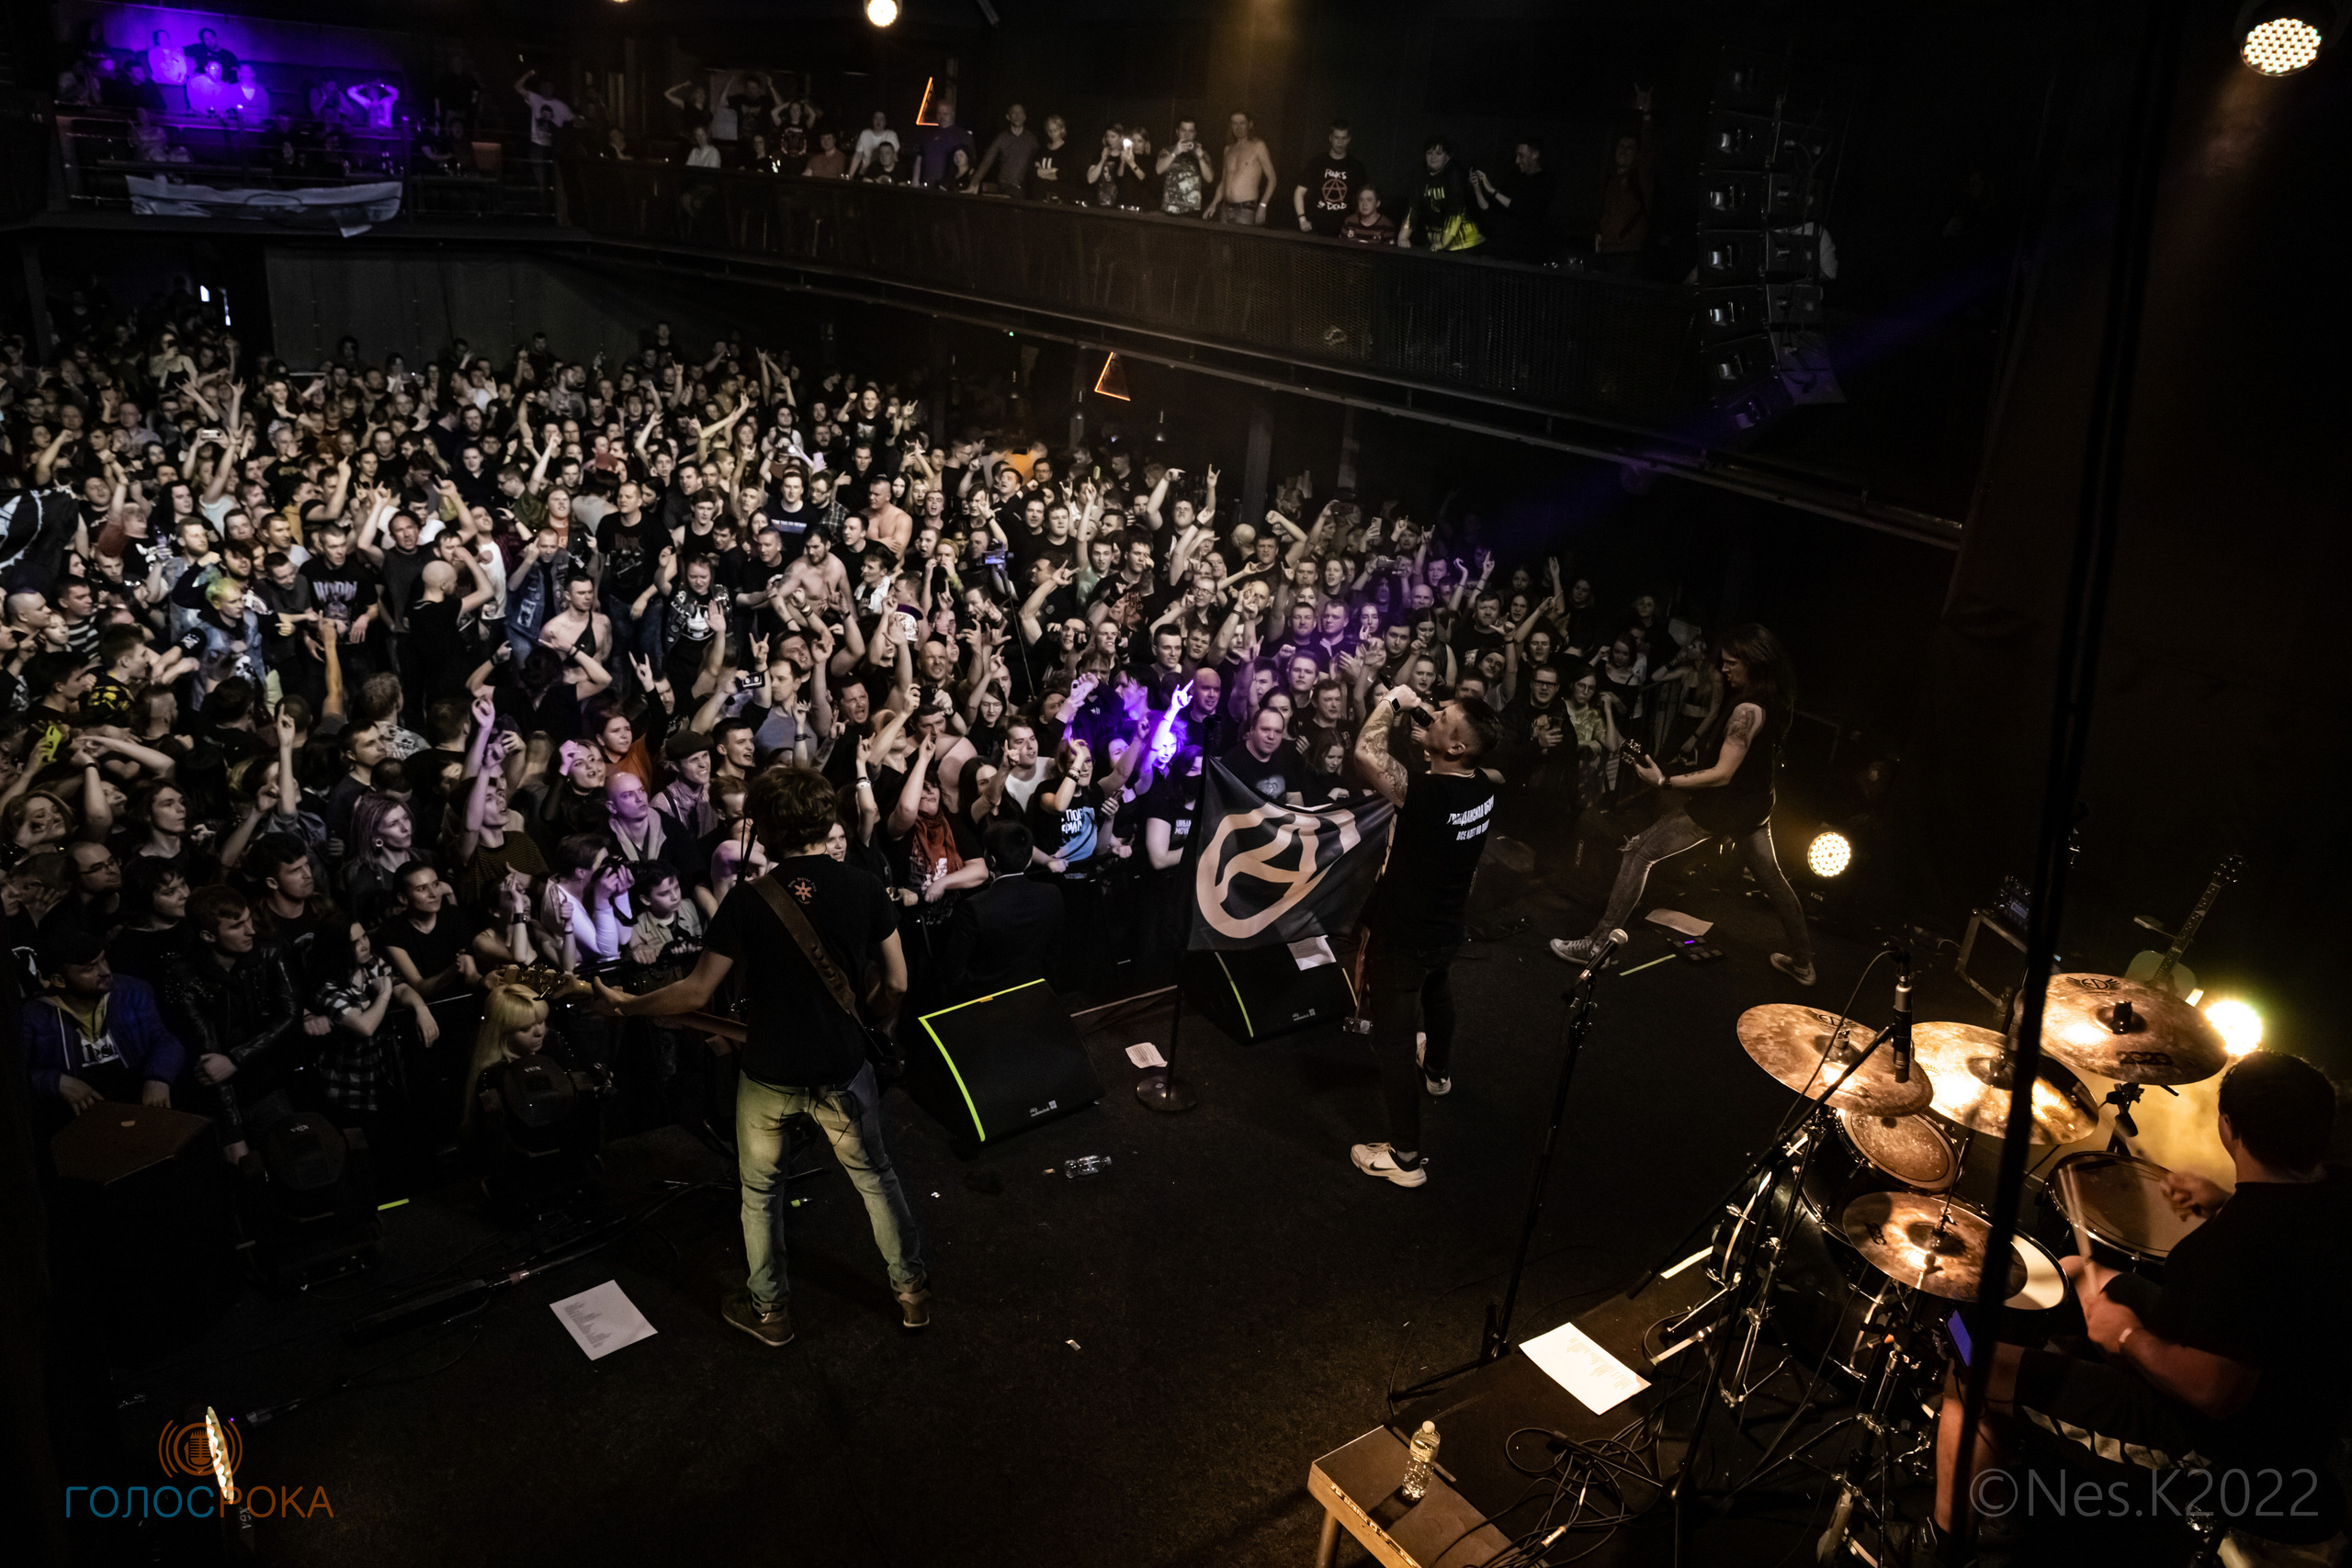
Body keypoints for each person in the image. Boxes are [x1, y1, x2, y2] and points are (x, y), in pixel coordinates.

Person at [1934, 1049, 2352, 1548]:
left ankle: (1945, 1545)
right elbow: (2284, 1247)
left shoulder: (2243, 1242)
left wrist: (2128, 1337)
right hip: (2295, 1405)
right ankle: (2027, 1436)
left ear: (2229, 1126)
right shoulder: (2335, 1189)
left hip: (2217, 1450)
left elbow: (2216, 1391)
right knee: (2073, 1272)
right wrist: (2222, 1200)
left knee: (1968, 1366)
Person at [591, 768, 930, 1345]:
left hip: (769, 1072)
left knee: (760, 1193)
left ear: (768, 830)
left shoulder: (747, 901)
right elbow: (896, 982)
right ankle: (912, 1294)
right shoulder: (866, 887)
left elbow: (697, 993)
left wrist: (627, 1005)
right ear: (827, 821)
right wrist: (862, 1014)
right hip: (843, 1067)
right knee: (877, 1180)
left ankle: (770, 1313)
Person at [1546, 625, 1815, 984]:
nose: (1724, 669)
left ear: (1754, 662)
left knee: (1639, 853)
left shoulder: (1747, 709)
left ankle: (1597, 946)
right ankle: (1803, 962)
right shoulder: (1775, 697)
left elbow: (1722, 775)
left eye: (1732, 663)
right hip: (1757, 805)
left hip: (1725, 806)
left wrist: (1664, 781)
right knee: (1772, 879)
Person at [1345, 685, 1505, 1187]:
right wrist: (1427, 734)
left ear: (1457, 747)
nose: (1432, 715)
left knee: (1392, 1042)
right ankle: (1437, 1073)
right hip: (1447, 924)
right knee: (1438, 990)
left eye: (1442, 718)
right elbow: (1471, 769)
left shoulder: (1426, 793)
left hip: (1406, 932)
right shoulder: (1484, 784)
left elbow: (1366, 753)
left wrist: (1393, 701)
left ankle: (1406, 1158)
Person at [23, 925, 185, 1128]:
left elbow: (164, 1039)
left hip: (137, 1106)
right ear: (58, 980)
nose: (105, 972)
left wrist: (158, 1077)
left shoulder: (132, 991)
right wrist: (55, 1082)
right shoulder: (34, 1017)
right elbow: (16, 1078)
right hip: (75, 1123)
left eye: (103, 960)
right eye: (89, 968)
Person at [1592, 86, 1655, 276]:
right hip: (1605, 252)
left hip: (1627, 255)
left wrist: (1647, 115)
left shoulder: (1640, 181)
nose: (1623, 150)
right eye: (1621, 145)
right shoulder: (1610, 180)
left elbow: (1648, 156)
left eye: (1629, 148)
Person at [1399, 137, 1482, 253]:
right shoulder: (1420, 175)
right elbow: (1413, 208)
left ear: (1447, 157)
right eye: (1429, 153)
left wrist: (1443, 242)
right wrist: (1403, 237)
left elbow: (1455, 211)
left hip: (1464, 244)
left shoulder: (1454, 175)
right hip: (1437, 241)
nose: (1433, 157)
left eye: (1438, 153)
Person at [1293, 120, 1364, 236]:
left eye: (1344, 138)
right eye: (1337, 137)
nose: (1340, 142)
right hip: (1316, 228)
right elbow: (1299, 192)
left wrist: (1358, 224)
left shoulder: (1356, 167)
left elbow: (1365, 198)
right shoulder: (1317, 163)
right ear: (1330, 138)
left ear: (1349, 139)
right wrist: (1302, 219)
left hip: (1344, 230)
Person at [1207, 111, 1275, 225]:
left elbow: (1272, 179)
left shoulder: (1258, 146)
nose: (1238, 127)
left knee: (1240, 243)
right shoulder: (1228, 149)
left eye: (1242, 123)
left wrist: (1262, 206)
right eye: (1234, 123)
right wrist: (1213, 203)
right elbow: (1223, 182)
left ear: (1250, 124)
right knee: (1222, 242)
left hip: (1245, 209)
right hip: (1226, 207)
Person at [972, 104, 1039, 195]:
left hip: (1026, 187)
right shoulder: (1001, 138)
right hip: (1006, 186)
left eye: (1020, 113)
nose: (1017, 115)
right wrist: (973, 184)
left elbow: (1039, 160)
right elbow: (987, 162)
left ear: (1024, 117)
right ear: (1008, 117)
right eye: (1014, 113)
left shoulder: (1031, 139)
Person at [1156, 118, 1216, 218]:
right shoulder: (1167, 151)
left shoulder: (1202, 153)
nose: (1187, 135)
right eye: (1183, 130)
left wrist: (1200, 158)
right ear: (1177, 132)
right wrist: (1175, 152)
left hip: (1192, 211)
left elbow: (1209, 178)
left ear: (1195, 134)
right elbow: (1159, 170)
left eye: (1190, 131)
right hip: (1169, 210)